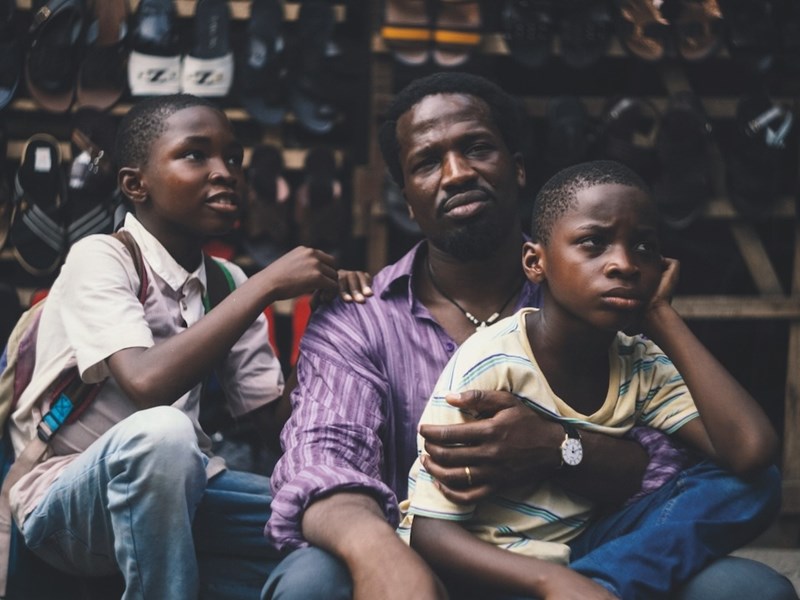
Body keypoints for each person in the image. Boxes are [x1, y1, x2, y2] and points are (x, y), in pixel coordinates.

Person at [264, 71, 793, 600]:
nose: (456, 173)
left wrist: (555, 447)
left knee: (746, 587)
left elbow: (671, 470)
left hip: (587, 553)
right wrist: (383, 558)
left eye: (477, 147)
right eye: (428, 162)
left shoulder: (600, 297)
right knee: (316, 579)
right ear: (406, 199)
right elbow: (321, 463)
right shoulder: (359, 322)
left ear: (517, 170)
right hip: (435, 564)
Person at [7, 94, 341, 599]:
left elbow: (277, 424)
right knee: (164, 435)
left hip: (188, 490)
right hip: (66, 498)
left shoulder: (228, 281)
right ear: (135, 185)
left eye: (234, 159)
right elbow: (146, 384)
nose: (225, 171)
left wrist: (327, 322)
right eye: (195, 154)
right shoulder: (100, 257)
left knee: (338, 520)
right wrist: (267, 287)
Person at [399, 159, 781, 599]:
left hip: (587, 555)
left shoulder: (640, 363)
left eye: (643, 248)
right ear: (534, 262)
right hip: (493, 572)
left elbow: (750, 451)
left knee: (757, 483)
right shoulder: (492, 361)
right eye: (593, 243)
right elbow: (431, 534)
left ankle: (606, 583)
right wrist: (553, 582)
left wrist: (661, 316)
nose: (623, 264)